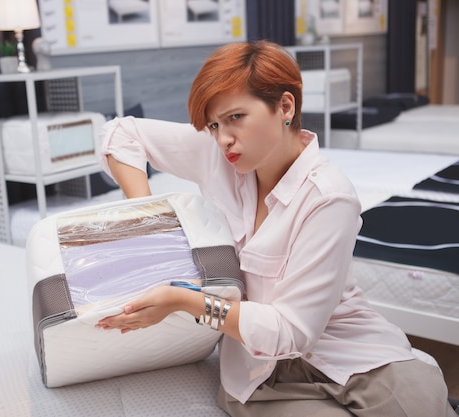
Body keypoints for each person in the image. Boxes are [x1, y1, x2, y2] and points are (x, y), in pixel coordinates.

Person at [94, 40, 457, 416]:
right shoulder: (218, 154)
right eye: (215, 124)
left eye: (236, 117)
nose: (222, 138)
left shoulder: (328, 198)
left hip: (347, 348)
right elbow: (120, 135)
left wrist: (188, 301)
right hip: (258, 370)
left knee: (424, 399)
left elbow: (293, 332)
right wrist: (151, 220)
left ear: (285, 106)